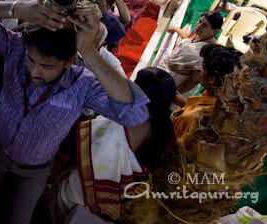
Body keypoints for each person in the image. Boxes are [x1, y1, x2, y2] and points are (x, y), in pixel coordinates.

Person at [0, 0, 149, 224]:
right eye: (31, 61)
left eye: (47, 66)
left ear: (69, 61)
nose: (35, 71)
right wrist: (18, 8)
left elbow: (134, 113)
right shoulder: (15, 48)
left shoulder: (83, 85)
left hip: (33, 170)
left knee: (18, 219)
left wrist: (89, 51)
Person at [53, 67, 176, 223]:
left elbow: (74, 150)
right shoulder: (167, 132)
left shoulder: (116, 121)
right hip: (122, 204)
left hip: (79, 191)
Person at [172, 44, 242, 152]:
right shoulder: (228, 107)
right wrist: (186, 104)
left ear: (212, 79)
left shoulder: (192, 117)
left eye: (203, 68)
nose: (199, 70)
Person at [158, 11, 224, 106]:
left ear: (215, 31)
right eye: (200, 21)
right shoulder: (201, 37)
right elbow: (188, 40)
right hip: (165, 81)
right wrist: (175, 29)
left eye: (205, 25)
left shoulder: (209, 51)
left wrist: (171, 95)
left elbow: (194, 80)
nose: (199, 26)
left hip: (174, 91)